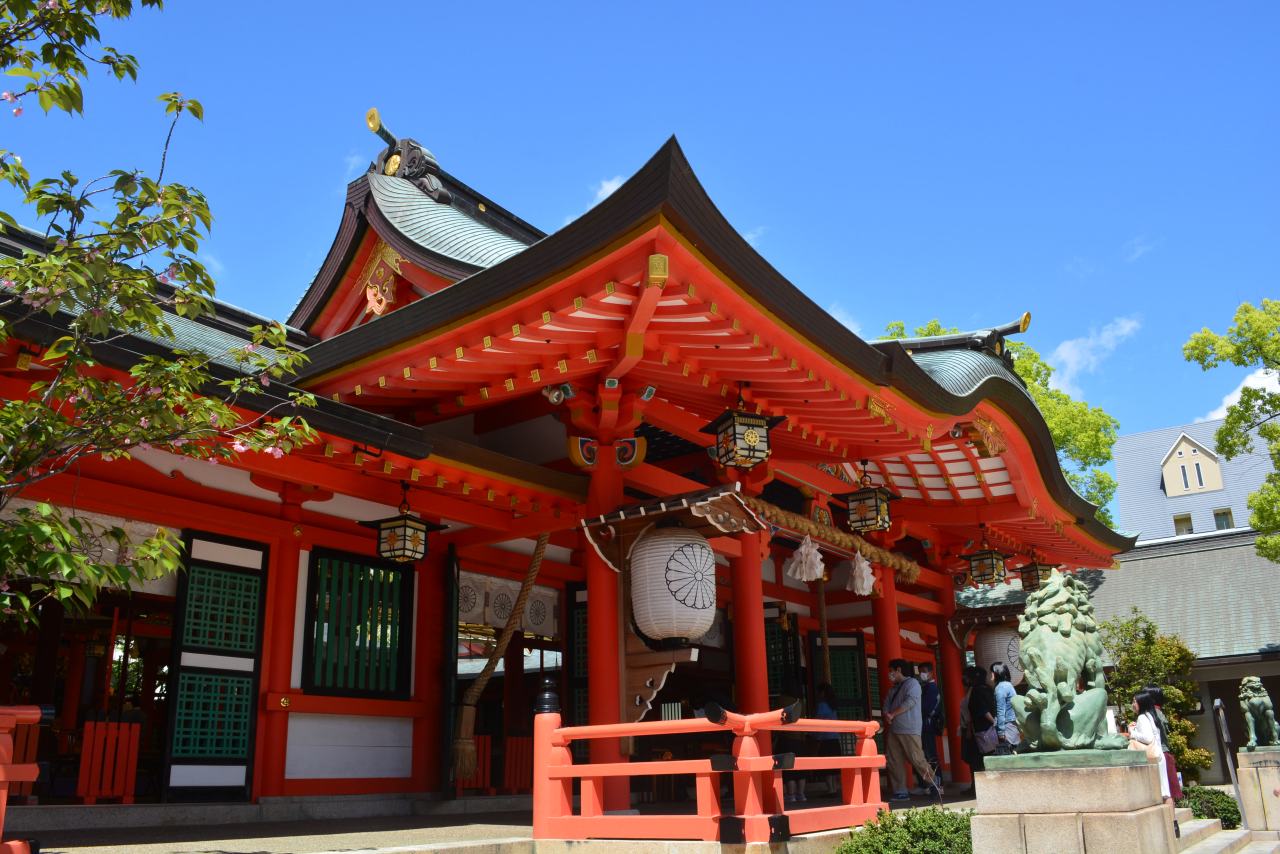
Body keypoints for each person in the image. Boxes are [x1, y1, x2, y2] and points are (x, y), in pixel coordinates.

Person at [881, 659, 942, 801]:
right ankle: (900, 791)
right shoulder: (893, 688)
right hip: (894, 728)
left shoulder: (913, 684)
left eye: (891, 671)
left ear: (898, 670)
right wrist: (887, 715)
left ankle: (934, 783)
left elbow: (911, 701)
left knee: (917, 758)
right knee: (893, 760)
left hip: (909, 727)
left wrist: (893, 714)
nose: (890, 674)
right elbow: (886, 704)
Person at [1130, 689, 1171, 803]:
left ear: (1142, 703)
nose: (1133, 705)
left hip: (1153, 757)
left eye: (1135, 701)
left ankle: (1169, 820)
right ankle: (1172, 820)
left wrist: (1132, 732)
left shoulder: (1142, 717)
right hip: (1158, 755)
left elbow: (1148, 738)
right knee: (1165, 792)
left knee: (1162, 792)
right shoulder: (1151, 716)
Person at [1145, 684, 1183, 801]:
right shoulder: (1159, 712)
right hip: (1165, 752)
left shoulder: (1152, 714)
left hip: (1159, 754)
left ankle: (1170, 818)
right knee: (1168, 792)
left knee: (1165, 793)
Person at [812, 682, 842, 796]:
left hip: (825, 738)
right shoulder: (833, 704)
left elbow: (818, 721)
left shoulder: (822, 705)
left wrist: (815, 736)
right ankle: (835, 788)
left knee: (827, 766)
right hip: (834, 737)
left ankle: (831, 789)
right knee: (834, 765)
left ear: (822, 692)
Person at [968, 665, 998, 773]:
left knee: (985, 757)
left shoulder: (976, 691)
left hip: (983, 729)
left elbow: (983, 710)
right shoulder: (989, 688)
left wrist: (993, 722)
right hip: (992, 727)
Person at [917, 662, 943, 780]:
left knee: (930, 755)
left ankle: (937, 781)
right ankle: (932, 781)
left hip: (927, 724)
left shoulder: (932, 688)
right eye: (920, 672)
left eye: (924, 671)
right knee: (926, 754)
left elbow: (926, 708)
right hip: (924, 724)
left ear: (931, 673)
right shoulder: (926, 688)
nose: (921, 674)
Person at [991, 662, 1020, 755]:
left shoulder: (1000, 688)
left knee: (1007, 752)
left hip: (1006, 726)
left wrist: (1001, 732)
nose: (990, 675)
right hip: (1012, 723)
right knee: (1014, 750)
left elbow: (1000, 711)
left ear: (997, 673)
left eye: (992, 672)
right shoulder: (1008, 685)